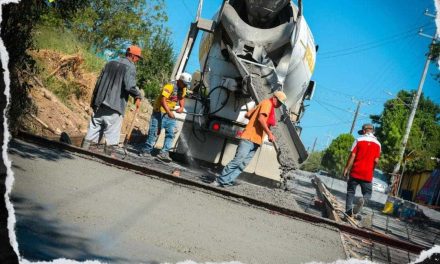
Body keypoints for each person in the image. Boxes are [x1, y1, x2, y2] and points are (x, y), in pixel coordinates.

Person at [212, 91, 287, 187]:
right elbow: (261, 119)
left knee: (243, 164)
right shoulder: (267, 103)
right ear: (274, 98)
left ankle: (226, 182)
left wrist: (255, 121)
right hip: (249, 138)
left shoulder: (267, 106)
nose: (279, 105)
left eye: (281, 103)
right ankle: (219, 180)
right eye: (279, 102)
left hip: (256, 140)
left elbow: (248, 115)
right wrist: (269, 133)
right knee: (238, 161)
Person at [82, 45, 143, 156]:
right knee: (111, 135)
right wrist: (138, 96)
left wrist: (94, 101)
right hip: (115, 106)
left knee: (93, 130)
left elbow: (98, 83)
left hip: (100, 103)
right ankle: (108, 158)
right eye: (138, 57)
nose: (138, 60)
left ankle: (83, 153)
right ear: (133, 56)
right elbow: (129, 86)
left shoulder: (110, 63)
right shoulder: (130, 67)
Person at [140, 72, 192, 162]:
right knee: (154, 132)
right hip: (159, 112)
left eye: (186, 85)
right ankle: (146, 151)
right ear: (180, 80)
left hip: (169, 113)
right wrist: (169, 112)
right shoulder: (170, 86)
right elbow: (163, 100)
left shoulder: (183, 88)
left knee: (171, 133)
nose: (185, 86)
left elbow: (182, 98)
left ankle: (163, 153)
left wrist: (181, 107)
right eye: (184, 84)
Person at [343, 123, 381, 221]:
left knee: (350, 192)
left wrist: (346, 168)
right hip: (367, 174)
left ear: (364, 131)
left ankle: (347, 213)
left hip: (355, 171)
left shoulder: (358, 140)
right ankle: (363, 201)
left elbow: (352, 156)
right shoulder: (378, 144)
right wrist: (371, 170)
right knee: (367, 194)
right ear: (372, 131)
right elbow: (376, 161)